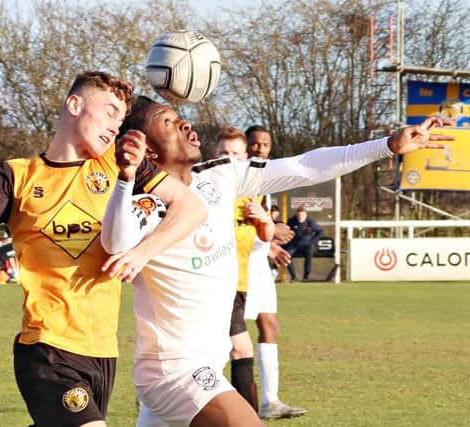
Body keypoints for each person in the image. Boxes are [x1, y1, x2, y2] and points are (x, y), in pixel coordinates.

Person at [100, 95, 451, 427]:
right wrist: (127, 177)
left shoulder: (221, 175)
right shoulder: (143, 204)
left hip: (205, 365)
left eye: (180, 118)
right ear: (146, 147)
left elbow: (303, 166)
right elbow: (116, 241)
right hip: (175, 373)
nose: (186, 125)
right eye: (169, 123)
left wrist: (386, 145)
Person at [0, 71, 206, 427]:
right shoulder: (17, 174)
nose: (114, 126)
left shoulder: (121, 166)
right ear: (74, 104)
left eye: (120, 119)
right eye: (109, 112)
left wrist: (143, 252)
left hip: (102, 350)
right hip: (47, 346)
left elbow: (191, 208)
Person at [242, 124, 307, 419]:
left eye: (265, 144)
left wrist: (268, 247)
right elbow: (229, 229)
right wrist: (271, 231)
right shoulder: (237, 181)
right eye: (255, 144)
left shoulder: (264, 183)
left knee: (270, 325)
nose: (260, 149)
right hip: (236, 265)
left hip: (258, 265)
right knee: (228, 336)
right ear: (246, 146)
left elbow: (252, 230)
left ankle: (270, 400)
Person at [213, 127, 274, 415]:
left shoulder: (252, 193)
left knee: (214, 356)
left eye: (235, 154)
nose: (228, 159)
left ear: (245, 157)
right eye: (223, 153)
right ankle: (248, 418)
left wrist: (263, 219)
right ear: (214, 156)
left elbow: (267, 234)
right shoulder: (206, 190)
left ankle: (159, 409)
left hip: (239, 285)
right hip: (213, 285)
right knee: (241, 349)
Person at [284, 206, 323, 282]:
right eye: (298, 215)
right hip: (294, 245)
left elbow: (319, 231)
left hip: (307, 246)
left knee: (309, 253)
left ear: (306, 215)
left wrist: (313, 241)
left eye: (302, 215)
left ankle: (306, 277)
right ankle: (293, 277)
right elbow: (285, 231)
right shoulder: (291, 221)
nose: (300, 217)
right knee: (287, 255)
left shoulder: (311, 222)